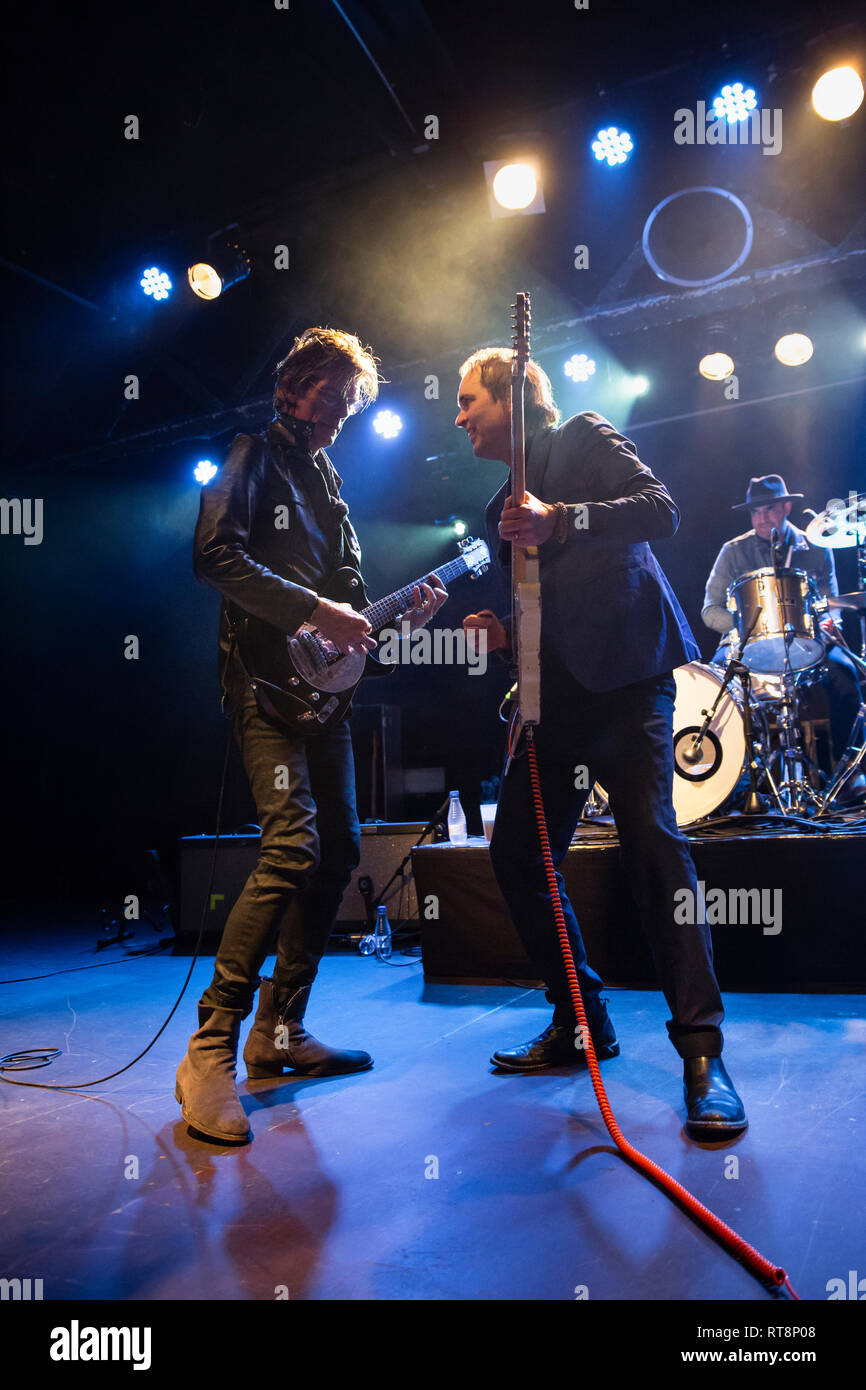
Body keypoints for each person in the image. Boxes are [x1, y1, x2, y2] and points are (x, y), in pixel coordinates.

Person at [457, 347, 746, 1140]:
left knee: (653, 845)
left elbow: (660, 509)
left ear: (516, 397)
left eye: (469, 399)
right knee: (517, 852)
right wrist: (494, 632)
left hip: (629, 684)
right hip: (556, 703)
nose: (458, 416)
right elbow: (532, 613)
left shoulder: (581, 436)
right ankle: (581, 1021)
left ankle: (702, 1055)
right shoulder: (494, 513)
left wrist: (564, 518)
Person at [177, 327, 447, 1143]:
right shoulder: (250, 453)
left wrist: (397, 627)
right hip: (262, 690)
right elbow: (212, 557)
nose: (338, 417)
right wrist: (309, 608)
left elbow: (351, 619)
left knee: (337, 853)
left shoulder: (329, 483)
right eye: (331, 398)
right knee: (291, 845)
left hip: (324, 700)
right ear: (293, 386)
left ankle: (281, 1030)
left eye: (351, 406)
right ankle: (211, 1045)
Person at [702, 474, 862, 766]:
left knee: (847, 675)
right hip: (746, 643)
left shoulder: (816, 547)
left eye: (769, 510)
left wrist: (827, 625)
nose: (762, 519)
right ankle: (736, 779)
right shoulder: (733, 551)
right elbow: (710, 610)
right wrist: (744, 629)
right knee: (716, 685)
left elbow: (831, 603)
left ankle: (848, 772)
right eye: (755, 512)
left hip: (806, 641)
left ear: (786, 507)